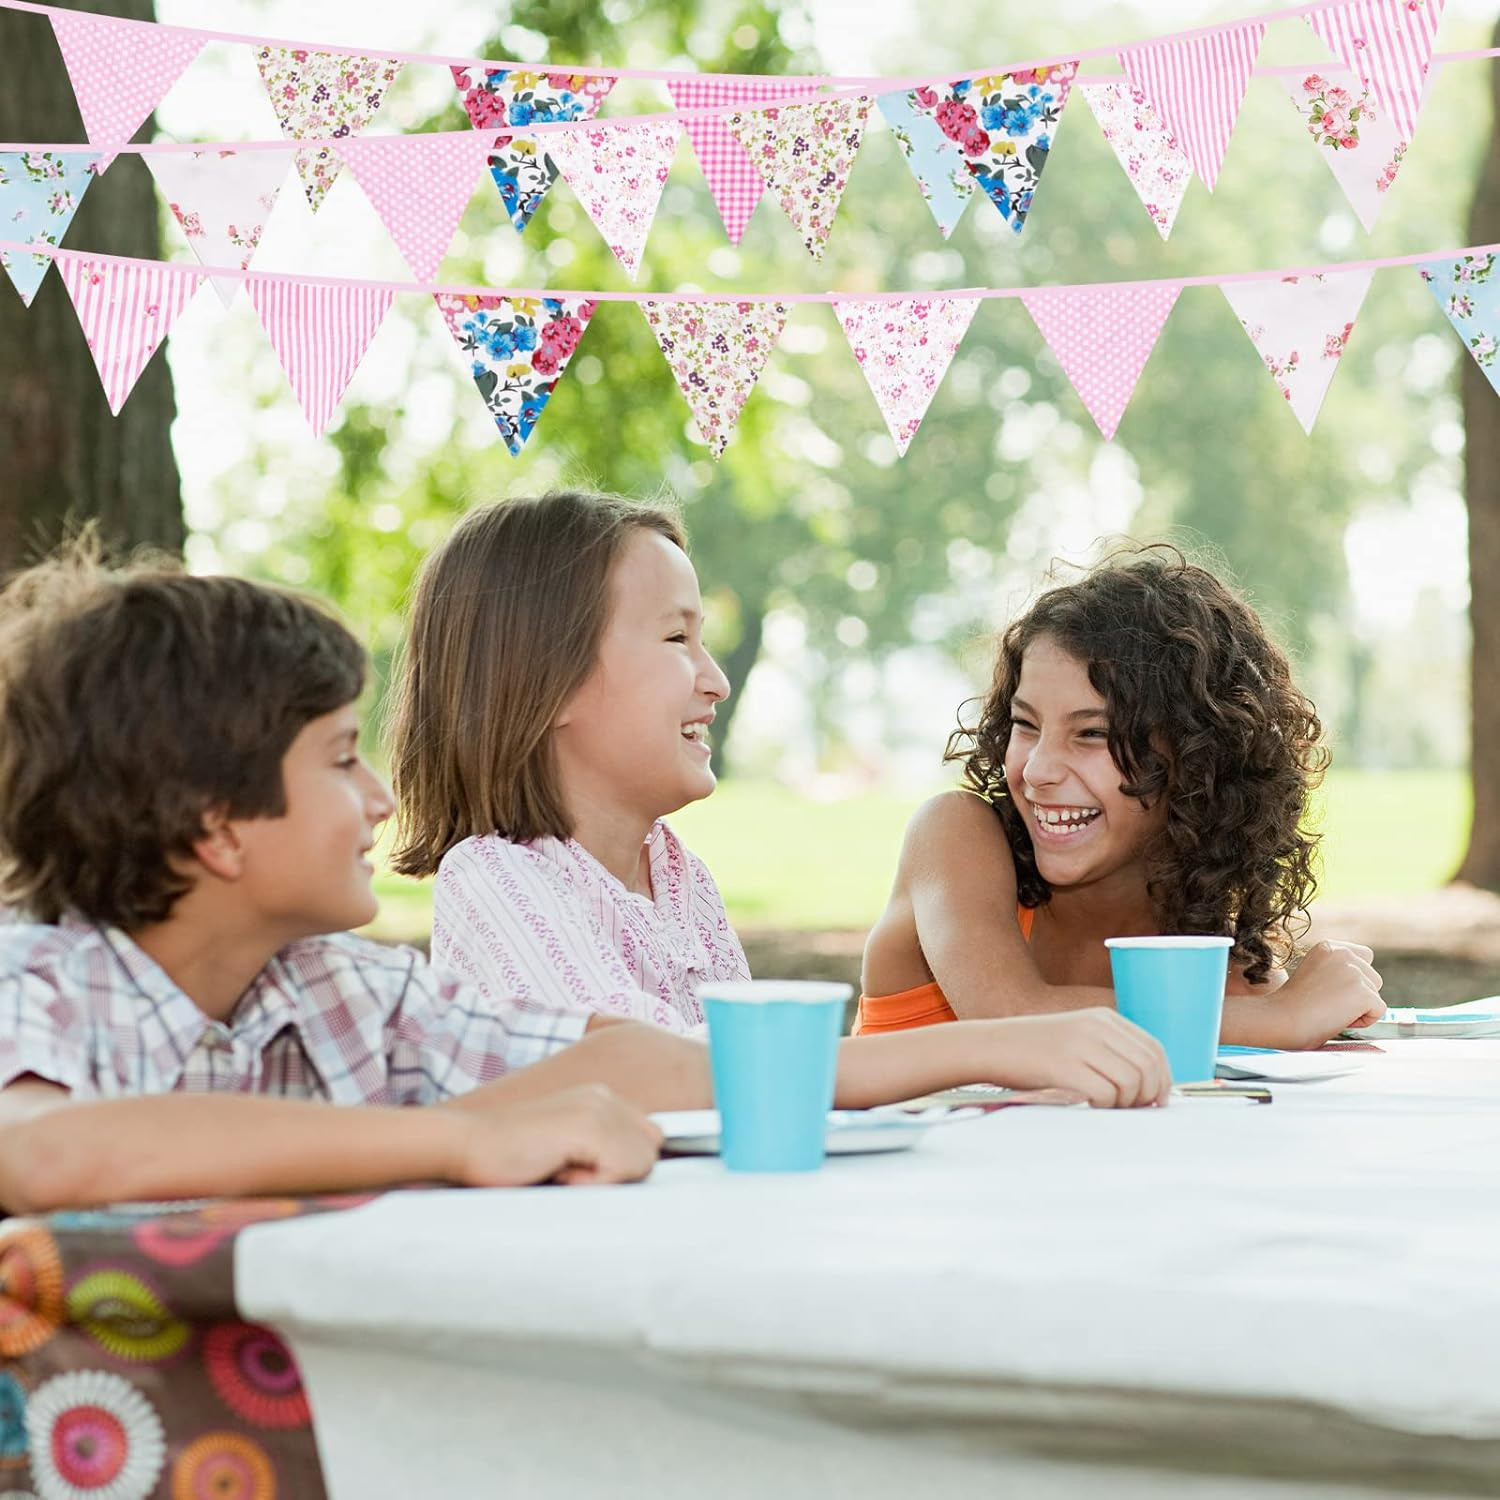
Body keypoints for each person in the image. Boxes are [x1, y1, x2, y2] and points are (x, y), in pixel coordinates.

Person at [387, 490, 1169, 1105]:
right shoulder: (496, 879)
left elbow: (756, 1094)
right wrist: (991, 1045)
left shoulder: (677, 877)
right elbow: (686, 1072)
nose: (716, 679)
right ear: (545, 679)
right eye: (675, 639)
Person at [856, 546, 1386, 1047]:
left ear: (1198, 759)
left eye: (1091, 734)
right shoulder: (956, 835)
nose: (1037, 770)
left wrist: (1288, 1010)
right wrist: (1280, 1017)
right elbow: (1011, 1015)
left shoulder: (1226, 981)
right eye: (1025, 724)